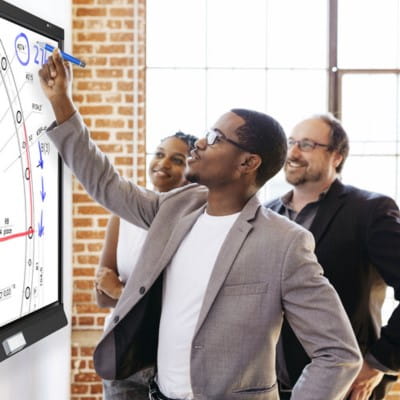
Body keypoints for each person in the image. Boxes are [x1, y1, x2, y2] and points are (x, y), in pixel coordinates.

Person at [38, 49, 362, 400]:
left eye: (216, 137)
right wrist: (61, 103)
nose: (200, 143)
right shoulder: (176, 209)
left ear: (248, 162)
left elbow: (339, 355)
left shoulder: (284, 242)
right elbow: (107, 184)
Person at [265, 114, 400, 400]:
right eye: (291, 142)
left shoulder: (370, 210)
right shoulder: (265, 214)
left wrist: (378, 363)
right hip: (269, 387)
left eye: (307, 144)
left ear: (336, 156)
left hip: (345, 388)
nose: (293, 152)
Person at [96, 131, 197, 399]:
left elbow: (179, 303)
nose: (163, 163)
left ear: (193, 168)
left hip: (171, 361)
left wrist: (121, 292)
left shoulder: (196, 222)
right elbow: (101, 294)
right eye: (160, 154)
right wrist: (117, 293)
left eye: (177, 159)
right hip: (124, 354)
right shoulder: (122, 215)